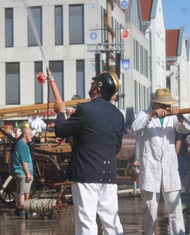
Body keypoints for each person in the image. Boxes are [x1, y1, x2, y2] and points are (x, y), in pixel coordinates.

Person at [54, 71, 124, 235]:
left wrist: (60, 111)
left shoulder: (85, 109)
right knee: (111, 222)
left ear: (97, 88)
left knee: (87, 223)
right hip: (108, 175)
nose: (91, 86)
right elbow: (115, 147)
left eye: (94, 83)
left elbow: (60, 129)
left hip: (86, 174)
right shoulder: (118, 115)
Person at [131, 88, 190, 235]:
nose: (166, 108)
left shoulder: (173, 117)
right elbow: (135, 128)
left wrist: (180, 116)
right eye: (164, 105)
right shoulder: (144, 114)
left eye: (168, 105)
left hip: (170, 170)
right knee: (149, 212)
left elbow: (185, 129)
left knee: (176, 212)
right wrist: (151, 115)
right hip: (150, 170)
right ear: (155, 104)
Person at [12, 127, 34, 217]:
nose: (32, 136)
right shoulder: (23, 146)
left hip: (18, 171)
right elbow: (24, 161)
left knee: (19, 191)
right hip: (23, 172)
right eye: (31, 134)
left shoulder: (18, 143)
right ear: (25, 135)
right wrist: (28, 173)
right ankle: (23, 209)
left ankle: (18, 209)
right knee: (24, 192)